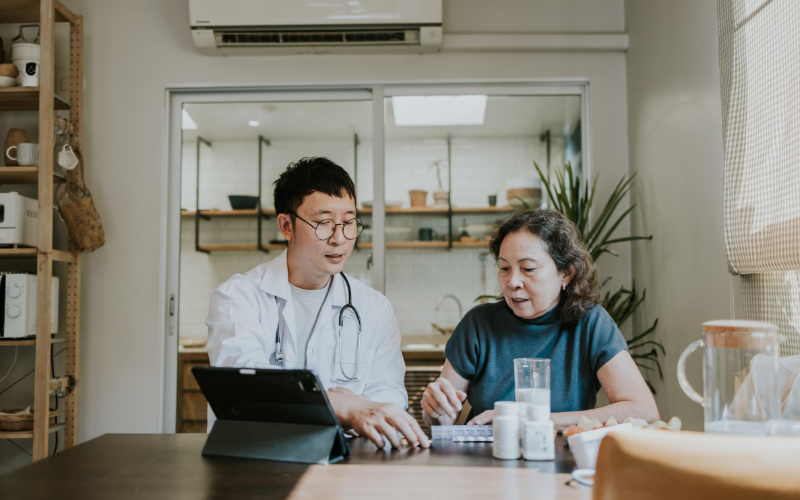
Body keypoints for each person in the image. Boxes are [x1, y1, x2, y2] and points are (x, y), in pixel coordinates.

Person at [206, 157, 429, 449]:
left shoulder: (374, 307)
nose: (339, 238)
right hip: (254, 456)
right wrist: (343, 407)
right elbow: (246, 386)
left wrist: (352, 409)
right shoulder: (237, 297)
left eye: (348, 222)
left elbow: (390, 395)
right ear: (286, 225)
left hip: (345, 458)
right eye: (324, 223)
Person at [421, 208, 659, 432]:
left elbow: (644, 412)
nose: (512, 282)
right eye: (504, 268)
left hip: (561, 458)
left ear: (566, 273)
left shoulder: (591, 324)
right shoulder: (478, 324)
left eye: (528, 269)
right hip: (486, 457)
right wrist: (436, 410)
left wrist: (535, 420)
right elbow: (440, 421)